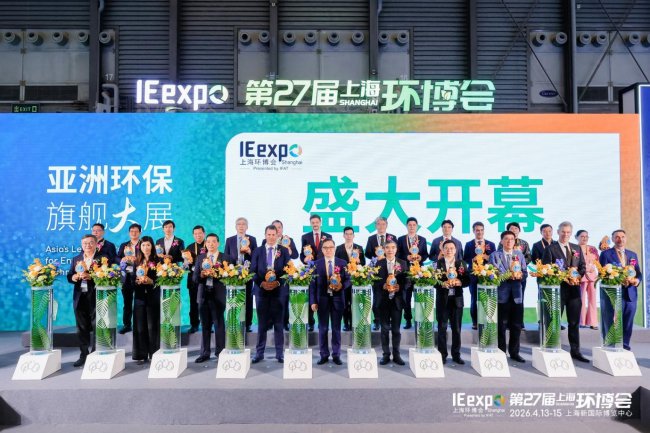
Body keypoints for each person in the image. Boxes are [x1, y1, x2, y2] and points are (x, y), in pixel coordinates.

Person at [542, 221, 588, 362]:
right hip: (558, 291)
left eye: (568, 232)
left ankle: (576, 351)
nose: (565, 234)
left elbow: (582, 266)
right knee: (554, 321)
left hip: (574, 291)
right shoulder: (550, 249)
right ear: (558, 232)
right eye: (563, 232)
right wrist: (563, 277)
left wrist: (577, 276)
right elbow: (546, 269)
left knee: (574, 323)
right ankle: (551, 348)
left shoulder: (576, 248)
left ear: (571, 233)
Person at [251, 225, 291, 363]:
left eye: (274, 234)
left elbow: (288, 271)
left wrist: (278, 282)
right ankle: (259, 353)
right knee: (262, 324)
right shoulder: (257, 251)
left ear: (277, 236)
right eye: (269, 234)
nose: (271, 237)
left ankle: (279, 354)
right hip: (261, 292)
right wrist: (262, 283)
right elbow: (252, 271)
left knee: (279, 324)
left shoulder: (283, 251)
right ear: (265, 235)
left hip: (279, 292)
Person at [598, 229, 642, 350]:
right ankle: (610, 345)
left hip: (630, 294)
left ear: (625, 239)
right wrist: (616, 279)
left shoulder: (632, 254)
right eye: (617, 237)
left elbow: (638, 273)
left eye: (622, 237)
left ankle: (625, 346)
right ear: (612, 239)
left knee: (628, 321)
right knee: (611, 321)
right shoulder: (606, 254)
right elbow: (602, 274)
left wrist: (637, 280)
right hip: (614, 294)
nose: (620, 239)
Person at [310, 238, 351, 365]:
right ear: (322, 250)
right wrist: (313, 301)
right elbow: (312, 285)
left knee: (336, 329)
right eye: (325, 248)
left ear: (334, 249)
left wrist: (342, 286)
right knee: (323, 329)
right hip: (322, 300)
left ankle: (336, 355)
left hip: (338, 300)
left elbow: (349, 279)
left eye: (331, 247)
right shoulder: (316, 264)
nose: (328, 250)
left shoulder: (342, 263)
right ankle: (323, 355)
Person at [193, 233, 233, 363]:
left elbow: (230, 277)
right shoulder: (200, 258)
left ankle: (220, 352)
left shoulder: (226, 258)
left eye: (214, 241)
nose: (211, 244)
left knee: (219, 324)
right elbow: (195, 278)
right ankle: (204, 353)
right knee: (205, 325)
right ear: (205, 243)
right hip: (203, 295)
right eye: (208, 242)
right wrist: (202, 275)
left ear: (218, 243)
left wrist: (216, 274)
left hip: (218, 295)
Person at [489, 231, 527, 362]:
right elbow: (492, 274)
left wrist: (520, 275)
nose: (509, 241)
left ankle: (514, 352)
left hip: (517, 295)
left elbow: (525, 272)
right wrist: (507, 275)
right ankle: (501, 352)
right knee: (501, 325)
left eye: (512, 239)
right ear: (501, 241)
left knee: (516, 325)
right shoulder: (495, 255)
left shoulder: (519, 254)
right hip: (502, 294)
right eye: (506, 239)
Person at [67, 234, 103, 367]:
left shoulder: (102, 259)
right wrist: (74, 277)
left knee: (96, 325)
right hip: (80, 297)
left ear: (96, 244)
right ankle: (83, 354)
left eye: (90, 243)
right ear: (82, 245)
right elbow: (69, 275)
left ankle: (95, 352)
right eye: (85, 243)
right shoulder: (76, 259)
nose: (87, 245)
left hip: (95, 295)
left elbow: (106, 275)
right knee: (81, 327)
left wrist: (91, 276)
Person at [435, 240, 470, 364]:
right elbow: (433, 281)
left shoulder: (461, 263)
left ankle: (456, 355)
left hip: (457, 300)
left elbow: (467, 280)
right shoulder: (437, 264)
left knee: (456, 329)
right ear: (443, 250)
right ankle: (442, 355)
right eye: (446, 248)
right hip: (443, 301)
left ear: (455, 250)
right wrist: (442, 284)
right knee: (442, 328)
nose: (449, 250)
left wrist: (460, 282)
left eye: (451, 248)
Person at [374, 240, 408, 366]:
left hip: (397, 301)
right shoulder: (379, 263)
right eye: (387, 247)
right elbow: (374, 281)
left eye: (393, 247)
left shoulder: (402, 263)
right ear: (384, 249)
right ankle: (386, 354)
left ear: (396, 249)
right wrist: (381, 285)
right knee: (384, 329)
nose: (390, 250)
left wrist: (401, 287)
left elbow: (408, 281)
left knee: (396, 330)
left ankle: (396, 355)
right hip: (383, 301)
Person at [261, 220, 299, 331]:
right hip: (269, 275)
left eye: (279, 227)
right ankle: (269, 323)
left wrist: (289, 250)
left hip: (283, 275)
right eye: (275, 227)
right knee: (269, 300)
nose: (277, 229)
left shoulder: (288, 240)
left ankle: (285, 322)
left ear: (282, 229)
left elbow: (296, 255)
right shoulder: (265, 240)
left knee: (284, 299)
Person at [224, 217, 258, 332]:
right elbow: (226, 257)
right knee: (234, 298)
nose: (241, 226)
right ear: (235, 226)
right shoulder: (230, 240)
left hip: (247, 273)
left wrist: (249, 251)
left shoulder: (252, 239)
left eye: (243, 224)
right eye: (239, 224)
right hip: (233, 273)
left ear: (247, 227)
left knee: (248, 297)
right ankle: (234, 321)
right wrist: (230, 270)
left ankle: (247, 323)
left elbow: (257, 256)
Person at [131, 236, 160, 365]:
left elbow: (161, 279)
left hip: (153, 297)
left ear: (152, 246)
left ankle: (154, 353)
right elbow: (130, 279)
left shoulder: (158, 261)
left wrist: (151, 281)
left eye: (148, 245)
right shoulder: (136, 261)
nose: (146, 248)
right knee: (140, 327)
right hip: (139, 297)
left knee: (153, 326)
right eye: (143, 245)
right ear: (140, 247)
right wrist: (136, 281)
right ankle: (141, 354)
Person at [300, 214, 332, 331]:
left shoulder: (328, 236)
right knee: (310, 295)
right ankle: (311, 322)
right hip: (310, 270)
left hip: (324, 269)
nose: (315, 224)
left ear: (320, 222)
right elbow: (302, 254)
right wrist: (304, 259)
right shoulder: (305, 237)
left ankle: (322, 322)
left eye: (316, 222)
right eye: (312, 222)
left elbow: (330, 252)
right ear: (310, 223)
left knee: (322, 295)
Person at [463, 221, 496, 330]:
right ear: (473, 231)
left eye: (481, 230)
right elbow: (465, 259)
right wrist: (473, 259)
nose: (479, 232)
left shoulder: (491, 244)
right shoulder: (469, 244)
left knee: (488, 298)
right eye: (477, 230)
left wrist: (487, 257)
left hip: (487, 275)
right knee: (474, 299)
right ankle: (475, 322)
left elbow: (495, 259)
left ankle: (487, 320)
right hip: (473, 275)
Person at [364, 216, 396, 330]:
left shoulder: (393, 237)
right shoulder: (371, 238)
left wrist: (387, 255)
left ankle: (389, 321)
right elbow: (367, 253)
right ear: (375, 226)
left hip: (390, 270)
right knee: (377, 297)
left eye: (383, 224)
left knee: (391, 297)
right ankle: (377, 321)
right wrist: (376, 257)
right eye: (378, 224)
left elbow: (395, 252)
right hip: (376, 271)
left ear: (386, 225)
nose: (381, 226)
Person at [396, 217, 428, 330]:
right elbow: (397, 254)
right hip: (405, 272)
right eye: (410, 225)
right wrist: (407, 257)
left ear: (417, 226)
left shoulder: (422, 239)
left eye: (414, 225)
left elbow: (425, 254)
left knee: (419, 297)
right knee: (406, 298)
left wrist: (420, 257)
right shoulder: (401, 239)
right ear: (406, 226)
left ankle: (419, 319)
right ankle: (408, 320)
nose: (412, 227)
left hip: (419, 273)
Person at [335, 226, 365, 331]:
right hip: (344, 280)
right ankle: (346, 323)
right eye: (346, 234)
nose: (348, 236)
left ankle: (354, 322)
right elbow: (336, 264)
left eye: (350, 234)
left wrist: (358, 261)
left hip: (356, 280)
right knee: (345, 303)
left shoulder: (359, 248)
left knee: (355, 302)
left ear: (354, 235)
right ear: (343, 235)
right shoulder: (338, 248)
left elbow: (363, 263)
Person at [116, 223, 142, 334]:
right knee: (127, 303)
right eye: (132, 231)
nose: (134, 233)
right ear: (129, 233)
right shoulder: (124, 245)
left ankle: (139, 325)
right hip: (126, 277)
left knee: (140, 302)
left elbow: (147, 257)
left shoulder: (143, 244)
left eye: (136, 231)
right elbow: (117, 258)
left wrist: (137, 260)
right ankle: (127, 325)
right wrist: (122, 259)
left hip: (140, 276)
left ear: (140, 232)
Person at [183, 225, 206, 334]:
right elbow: (185, 267)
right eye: (196, 234)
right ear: (193, 235)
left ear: (204, 234)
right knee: (193, 303)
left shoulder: (209, 245)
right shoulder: (189, 247)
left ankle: (207, 325)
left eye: (200, 233)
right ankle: (194, 325)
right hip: (193, 279)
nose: (198, 235)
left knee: (206, 303)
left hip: (206, 279)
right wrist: (186, 263)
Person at [576, 230, 599, 329]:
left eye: (586, 236)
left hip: (592, 277)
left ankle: (593, 322)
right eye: (582, 236)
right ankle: (581, 322)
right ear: (576, 237)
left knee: (592, 299)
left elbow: (597, 262)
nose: (584, 238)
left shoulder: (593, 249)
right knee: (581, 299)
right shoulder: (574, 248)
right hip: (580, 276)